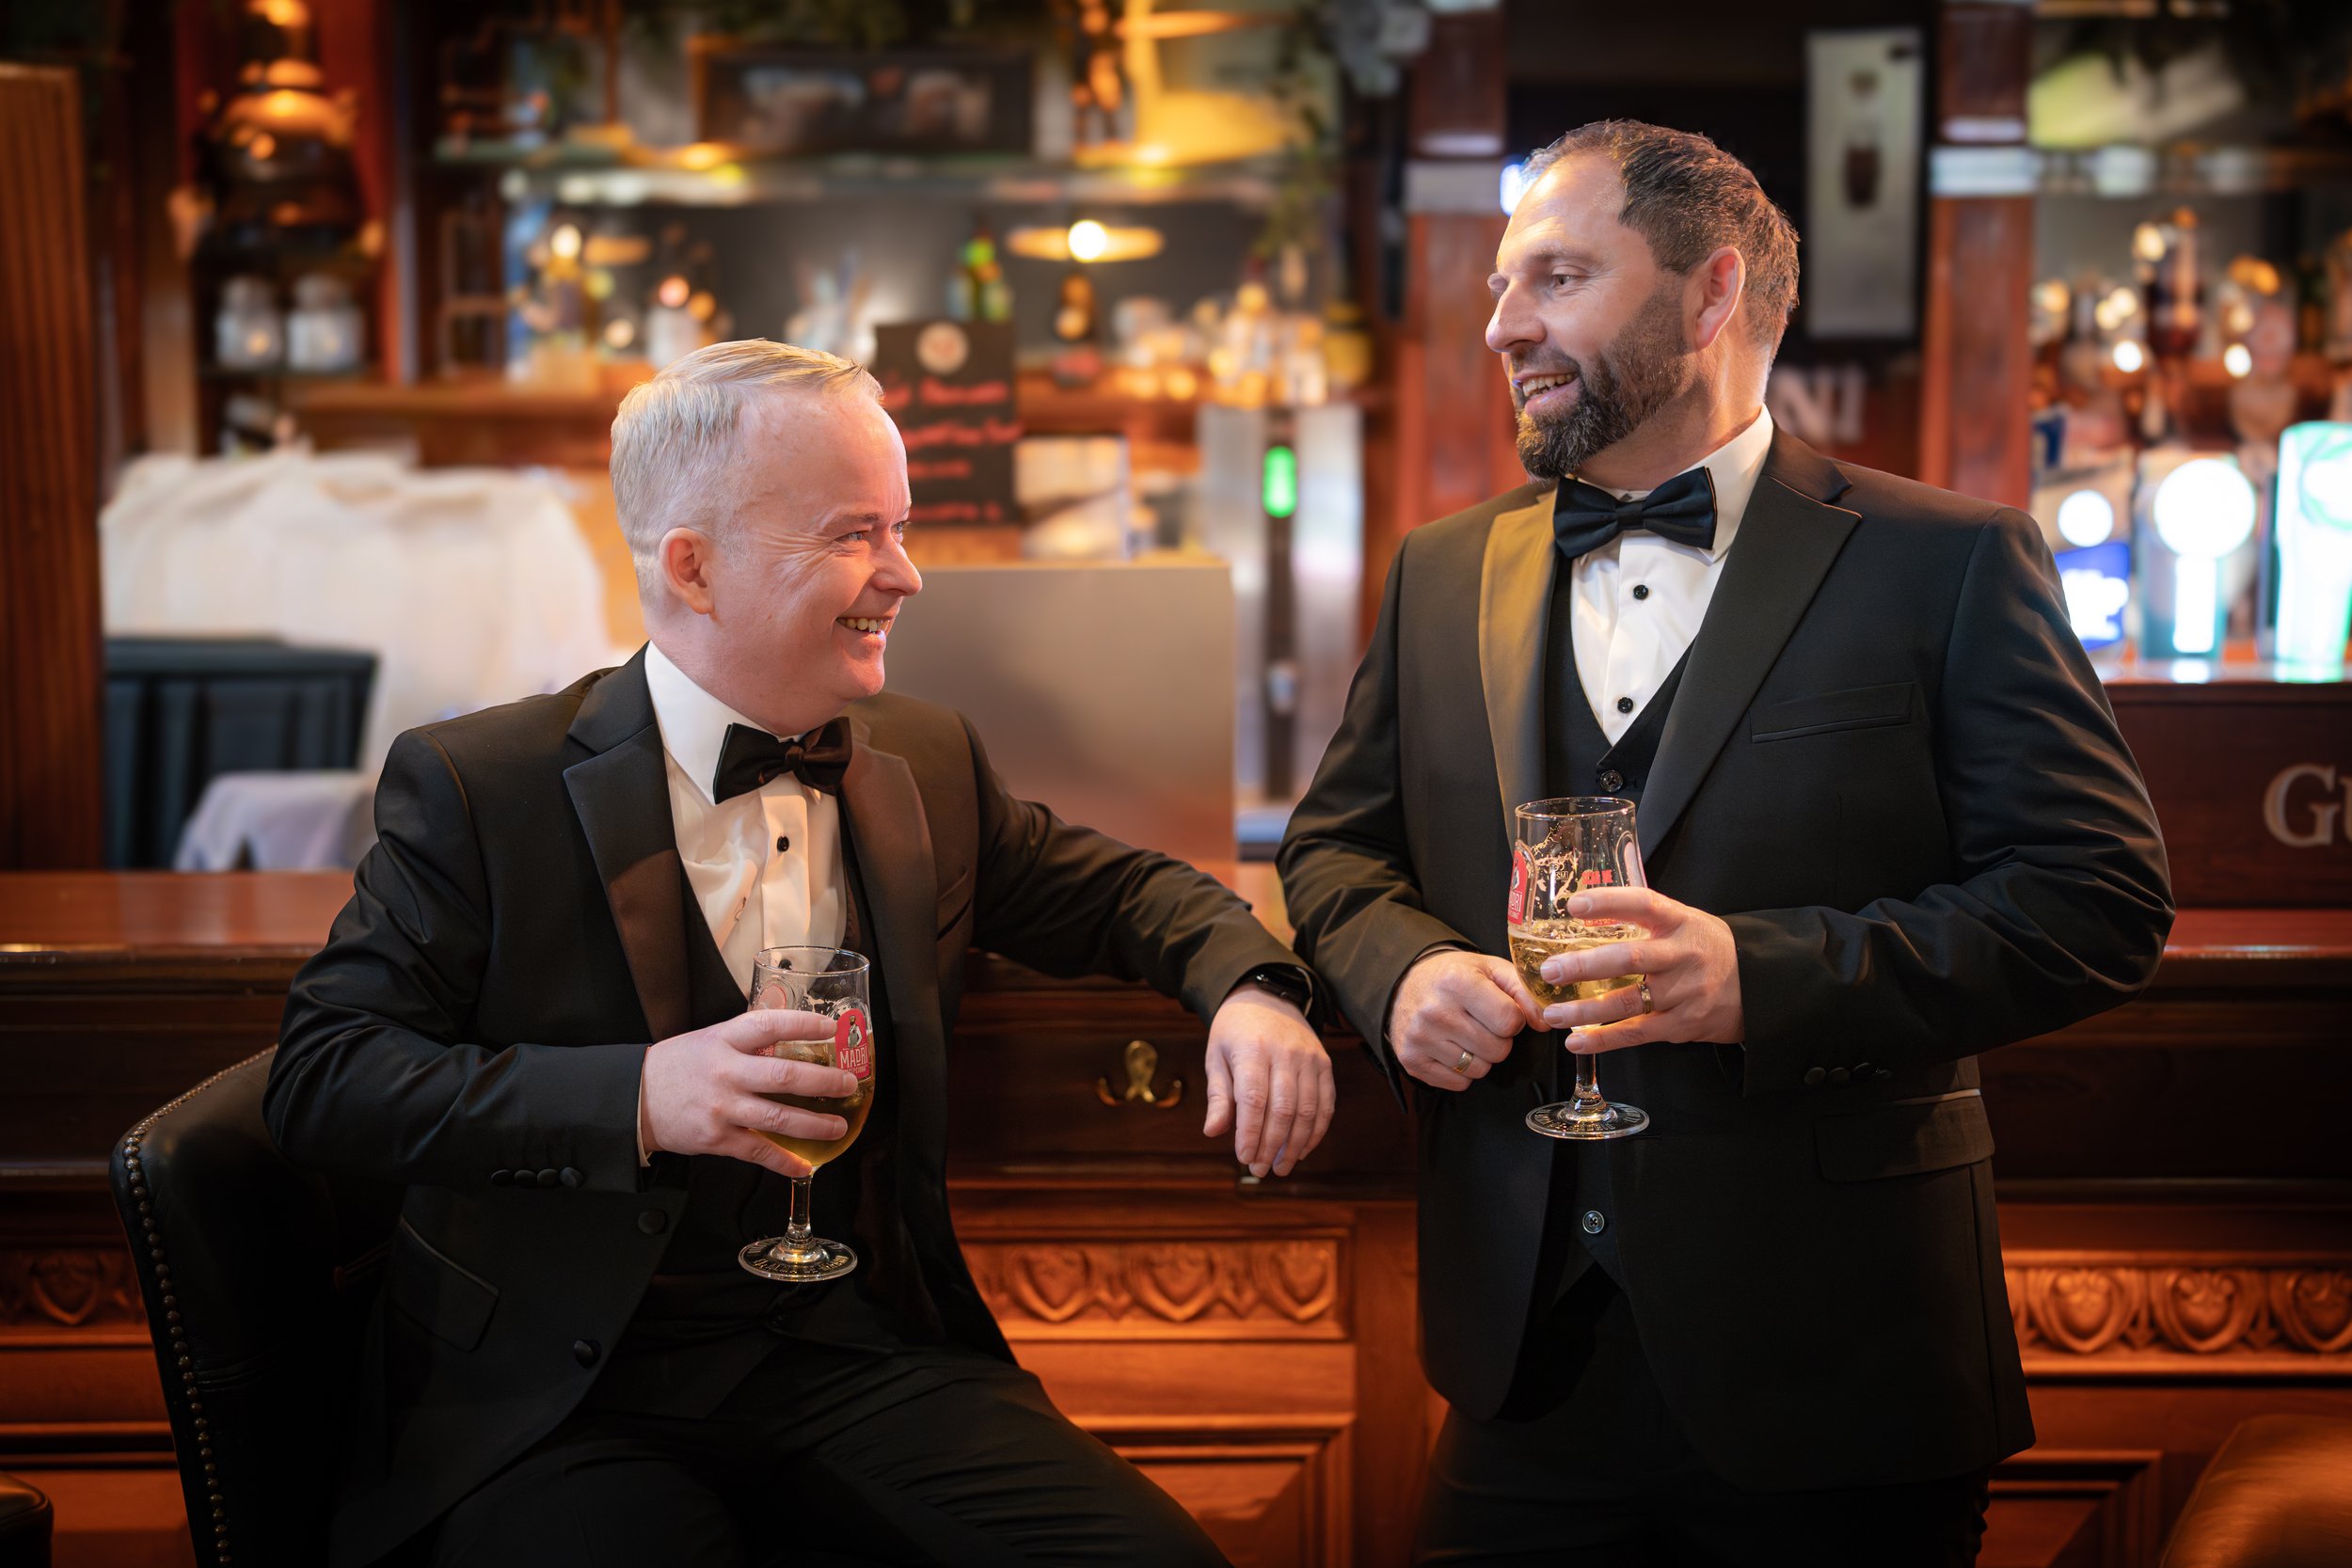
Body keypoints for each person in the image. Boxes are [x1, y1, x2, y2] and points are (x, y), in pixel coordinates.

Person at [267, 339, 1333, 1568]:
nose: (907, 576)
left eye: (901, 527)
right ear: (694, 567)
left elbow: (1124, 892)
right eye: (852, 536)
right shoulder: (478, 786)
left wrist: (1250, 985)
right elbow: (323, 1078)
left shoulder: (925, 760)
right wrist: (640, 1098)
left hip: (861, 1362)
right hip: (567, 1401)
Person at [1279, 120, 2172, 1566]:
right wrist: (1399, 973)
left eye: (1557, 278)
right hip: (1522, 1363)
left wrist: (1761, 979)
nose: (1503, 325)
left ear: (1710, 296)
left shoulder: (1947, 563)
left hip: (1842, 1366)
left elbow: (2099, 900)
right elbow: (1335, 852)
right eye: (1506, 284)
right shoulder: (1444, 571)